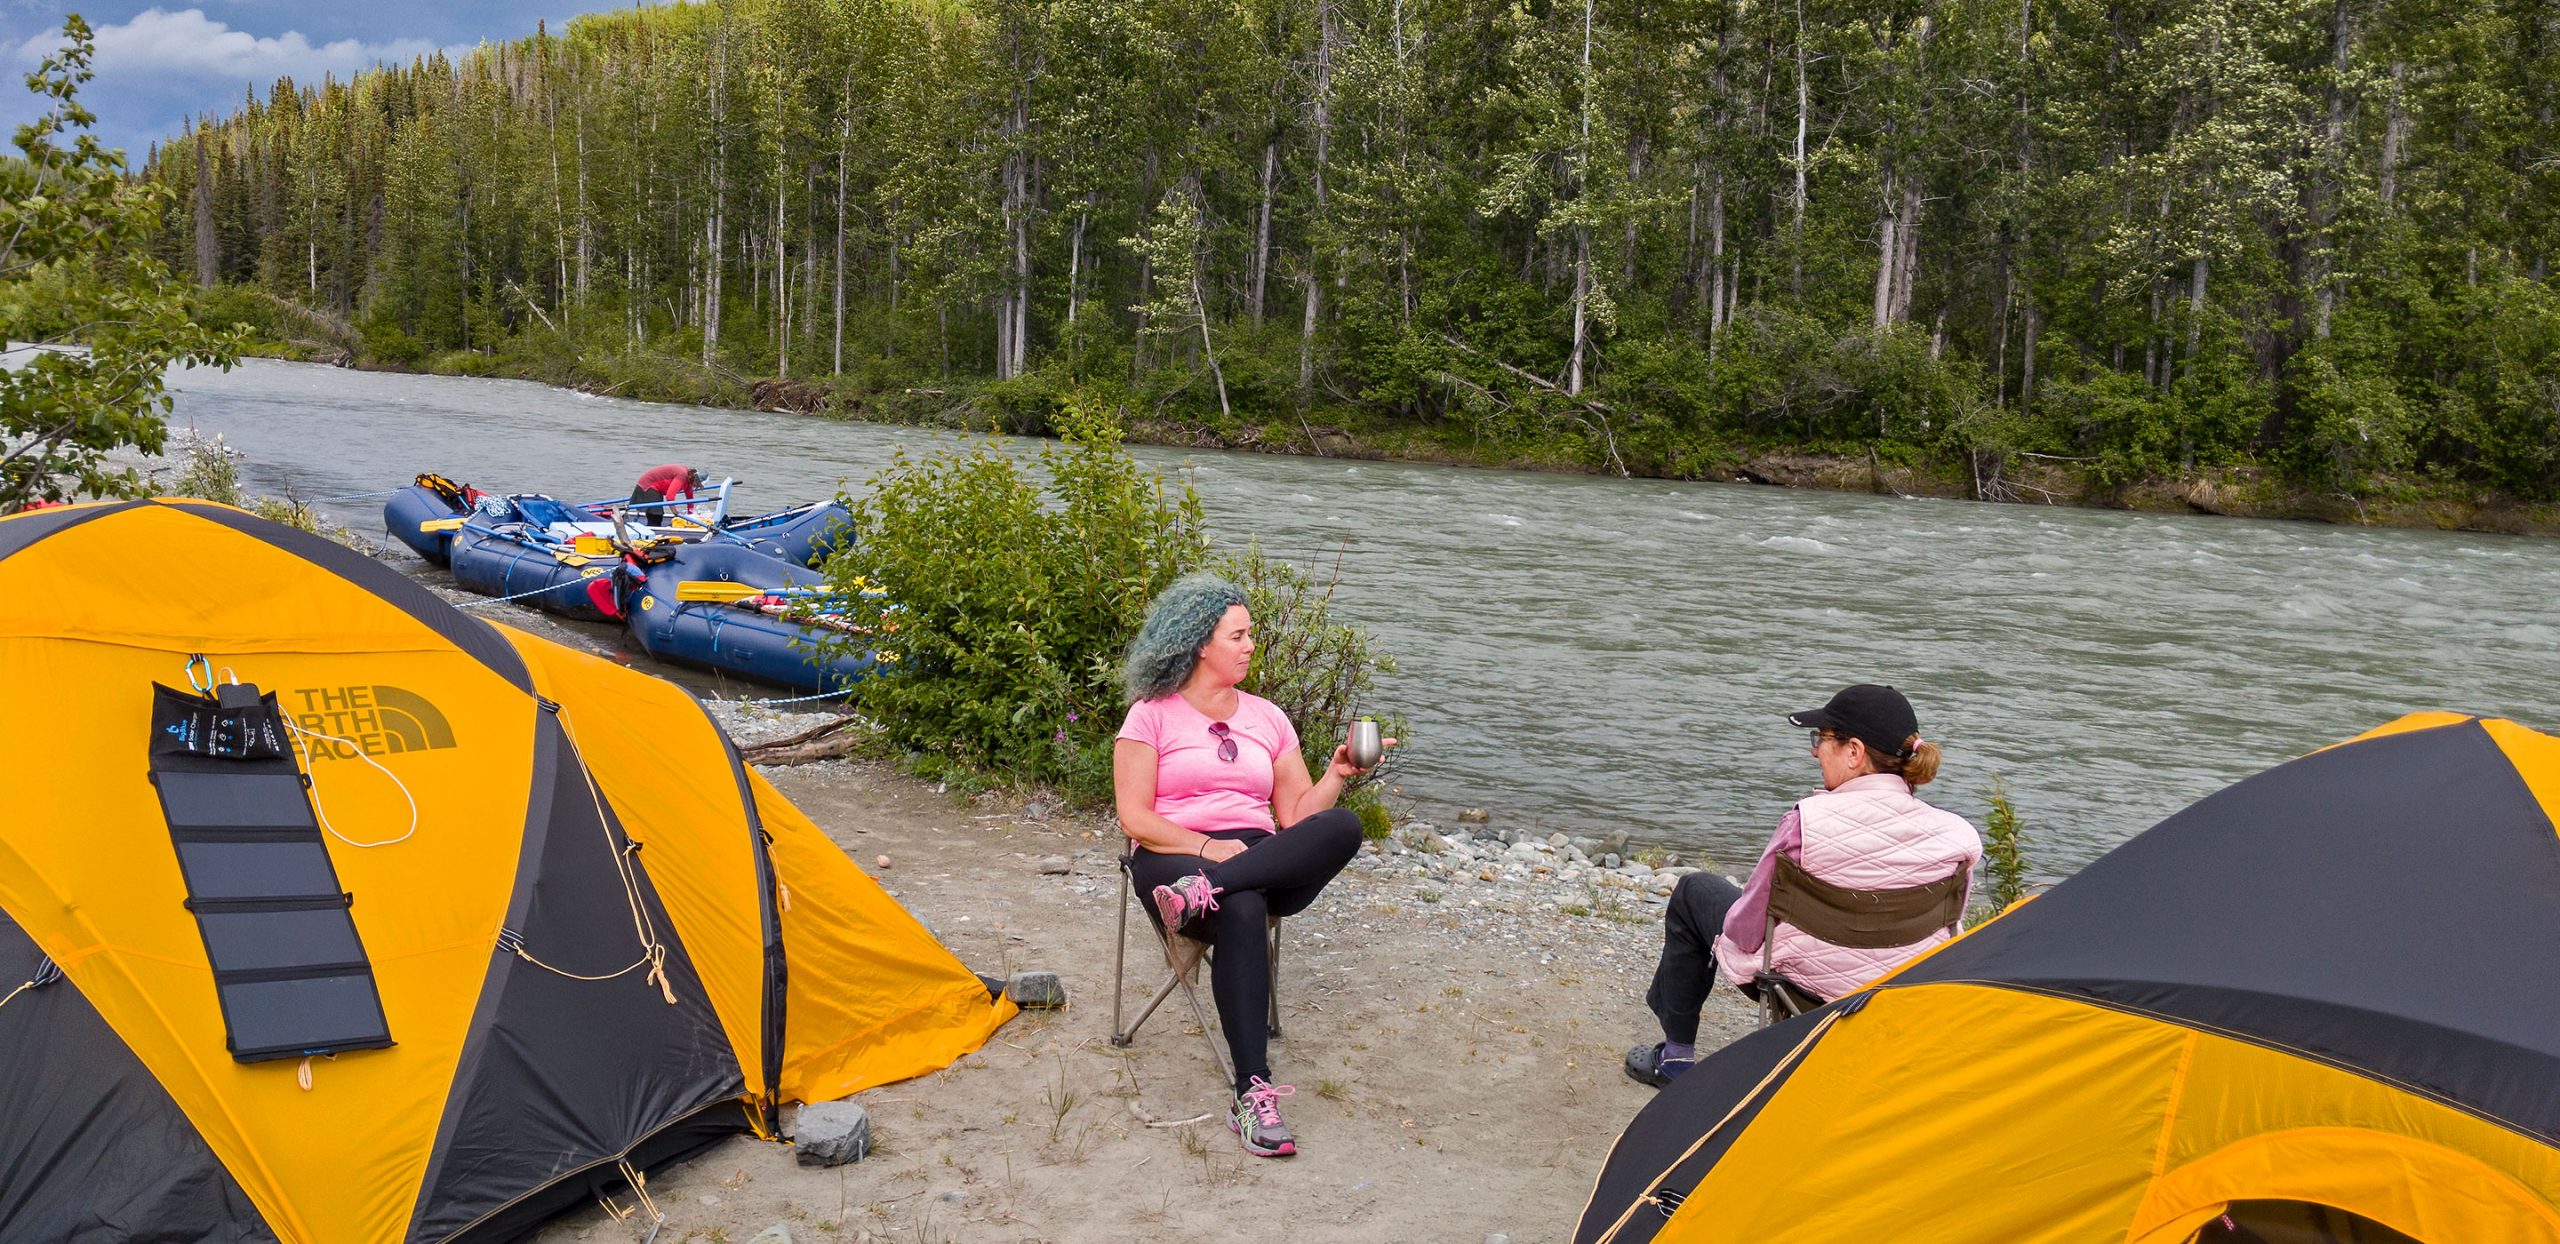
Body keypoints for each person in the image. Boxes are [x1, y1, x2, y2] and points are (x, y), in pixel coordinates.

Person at [1113, 573, 1390, 1158]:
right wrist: (1209, 850)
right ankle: (1251, 1093)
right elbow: (1134, 818)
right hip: (1173, 854)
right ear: (1198, 643)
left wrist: (1337, 773)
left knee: (1341, 825)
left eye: (1249, 636)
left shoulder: (1267, 716)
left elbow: (1294, 817)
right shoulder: (1151, 716)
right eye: (1237, 636)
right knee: (1239, 905)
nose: (1248, 646)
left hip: (1256, 857)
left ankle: (1206, 891)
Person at [1625, 683, 1980, 1088]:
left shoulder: (1806, 825)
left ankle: (1675, 1060)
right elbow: (1950, 932)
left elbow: (1744, 931)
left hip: (1806, 993)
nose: (1815, 751)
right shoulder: (1959, 838)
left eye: (1822, 739)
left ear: (1854, 752)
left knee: (1694, 892)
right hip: (1895, 998)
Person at [629, 464, 703, 528]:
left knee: (657, 513)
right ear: (694, 479)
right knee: (656, 514)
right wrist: (676, 513)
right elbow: (670, 497)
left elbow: (689, 496)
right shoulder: (682, 475)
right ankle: (652, 533)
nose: (696, 487)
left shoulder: (688, 479)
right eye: (697, 485)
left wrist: (691, 513)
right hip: (648, 485)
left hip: (657, 488)